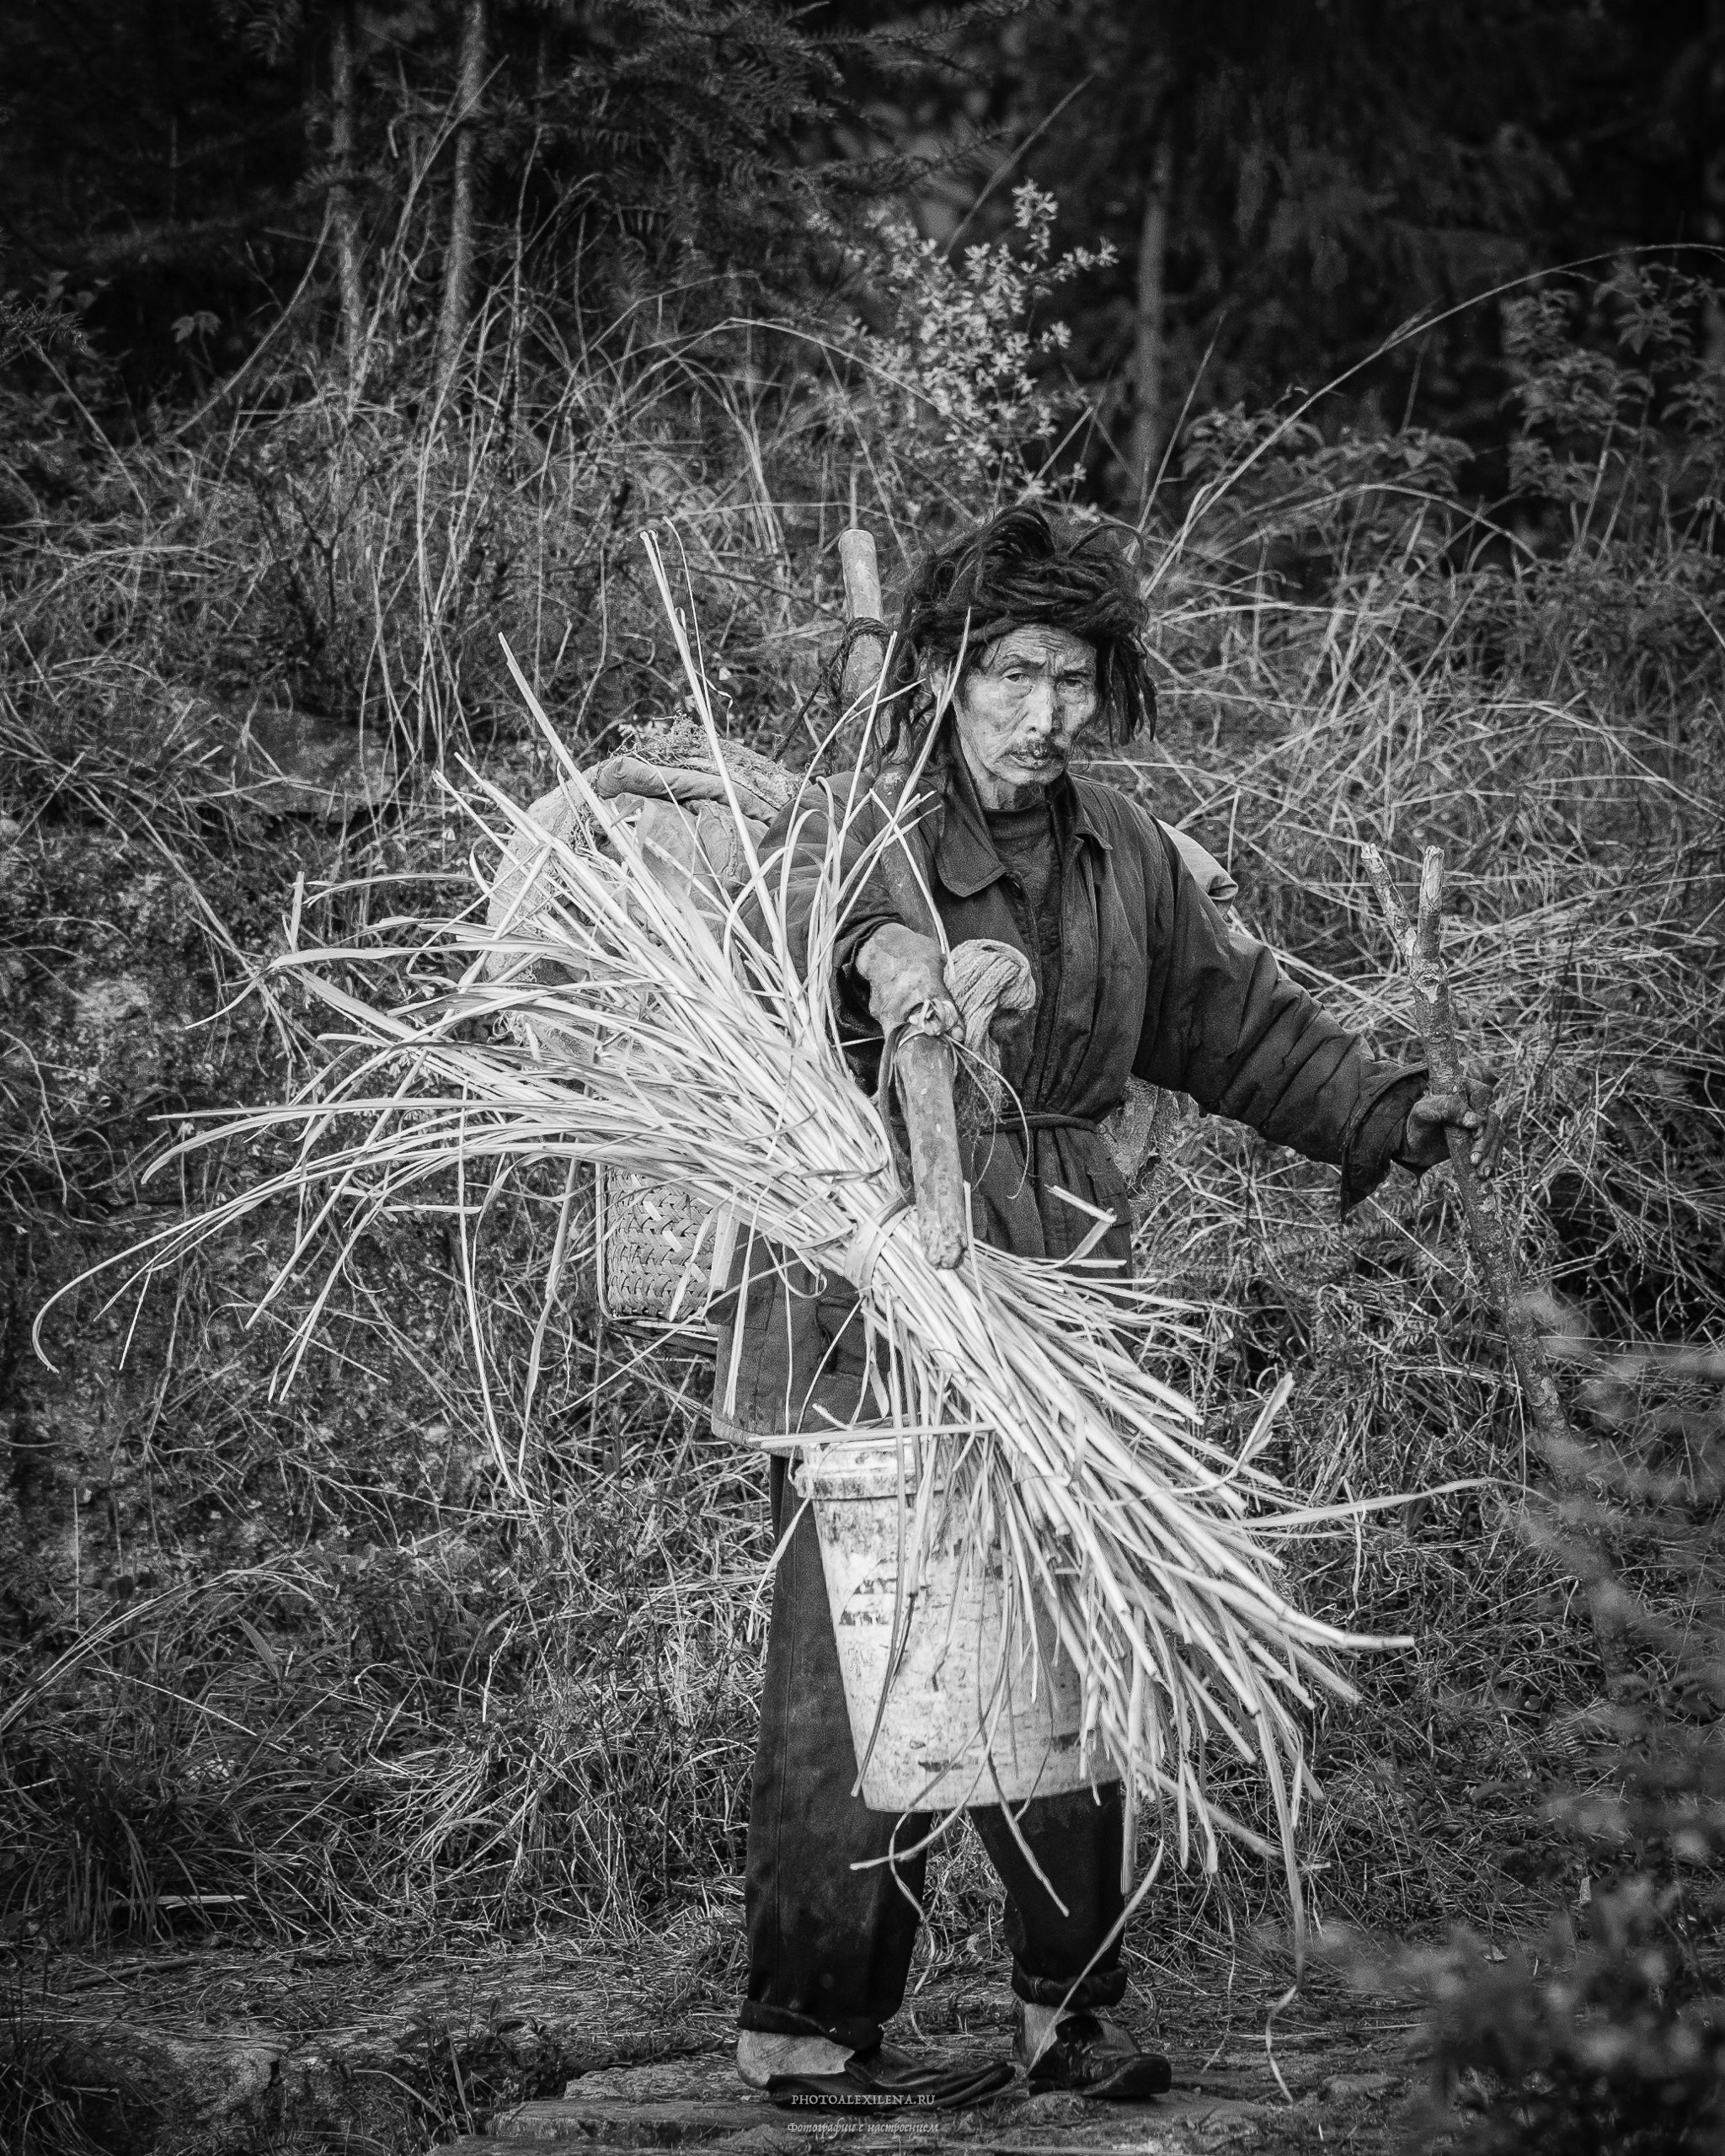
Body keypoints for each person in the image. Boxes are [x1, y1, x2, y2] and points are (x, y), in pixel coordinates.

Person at [713, 506, 1500, 2109]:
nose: (1044, 713)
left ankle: (1063, 2008)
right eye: (1013, 672)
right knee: (865, 1646)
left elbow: (1231, 1020)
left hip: (1070, 1268)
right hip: (878, 1274)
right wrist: (886, 978)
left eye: (1074, 679)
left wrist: (1370, 1107)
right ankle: (810, 2024)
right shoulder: (853, 832)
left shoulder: (1123, 853)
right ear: (946, 670)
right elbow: (781, 975)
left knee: (1076, 1630)